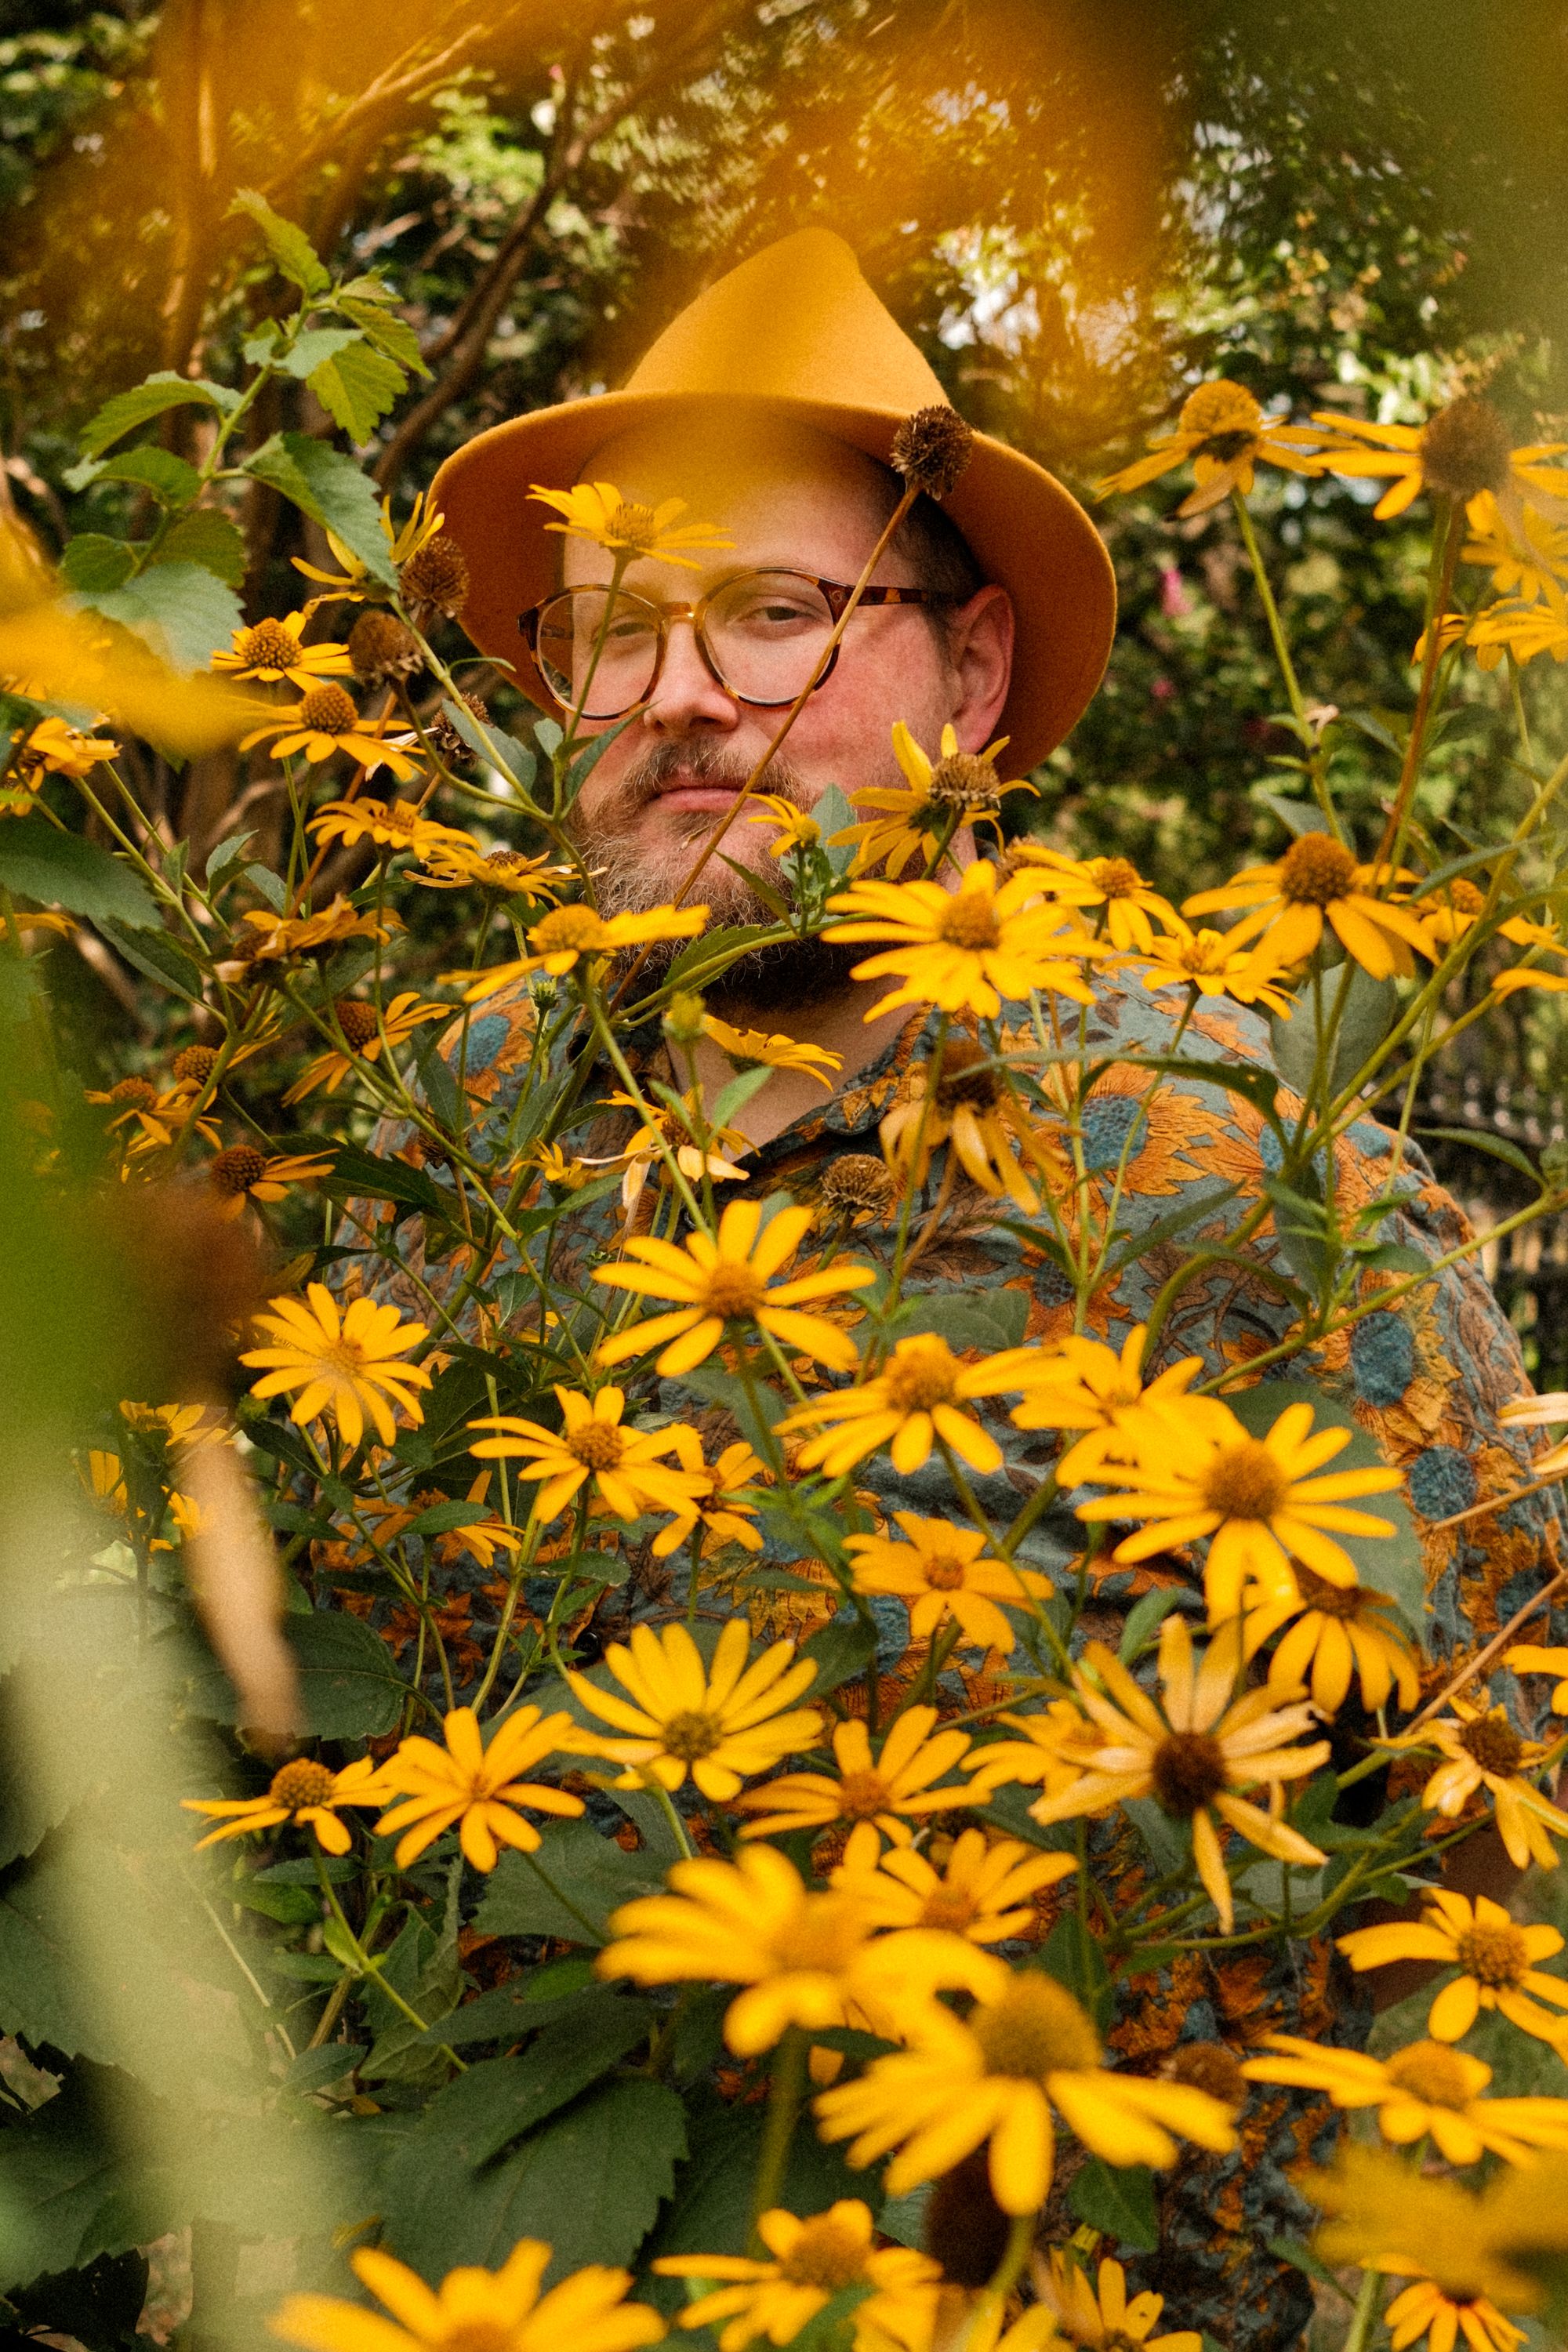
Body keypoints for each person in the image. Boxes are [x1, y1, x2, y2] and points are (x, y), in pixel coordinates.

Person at [358, 232, 1565, 2349]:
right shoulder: (430, 1155)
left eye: (783, 613)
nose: (693, 693)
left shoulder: (1232, 1177)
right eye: (616, 625)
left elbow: (1507, 1820)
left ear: (977, 675)